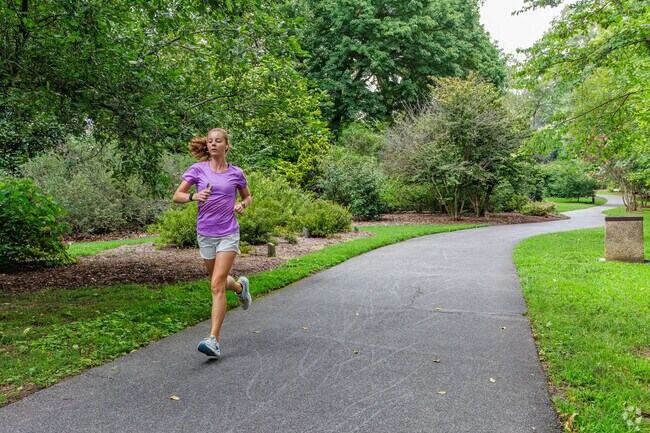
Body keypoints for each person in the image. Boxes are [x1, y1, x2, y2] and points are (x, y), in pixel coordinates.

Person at [173, 128, 252, 359]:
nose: (213, 144)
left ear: (227, 145)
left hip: (228, 232)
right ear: (207, 146)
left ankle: (213, 340)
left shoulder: (236, 173)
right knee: (217, 280)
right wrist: (193, 196)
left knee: (216, 285)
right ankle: (239, 288)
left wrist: (242, 205)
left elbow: (247, 196)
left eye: (218, 141)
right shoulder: (197, 170)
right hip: (205, 233)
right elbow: (177, 195)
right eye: (210, 141)